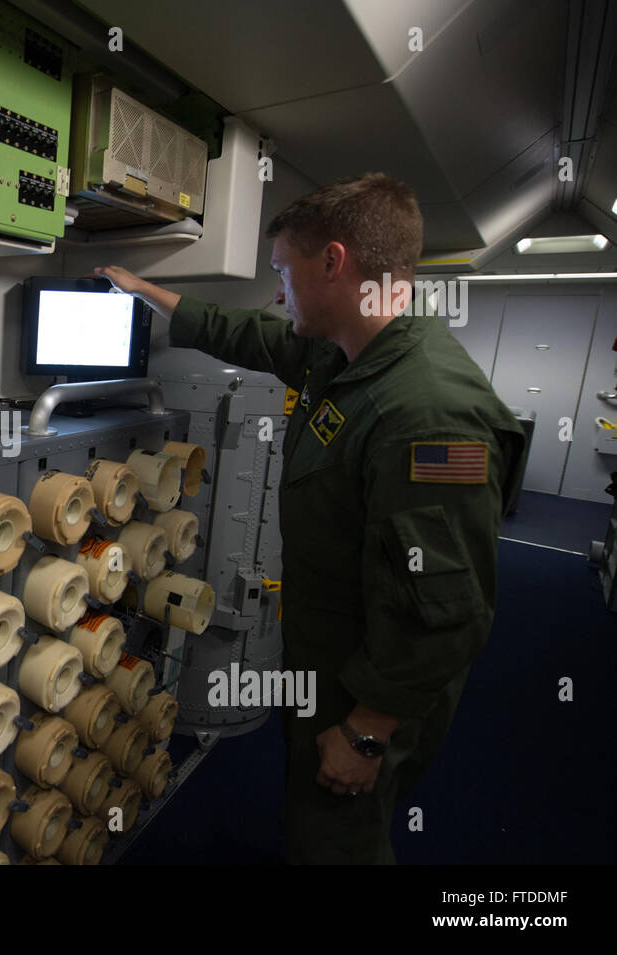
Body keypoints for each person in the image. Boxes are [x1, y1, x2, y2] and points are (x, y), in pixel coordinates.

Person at [94, 172, 525, 864]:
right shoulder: (350, 353)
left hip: (366, 687)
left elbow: (446, 609)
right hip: (330, 661)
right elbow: (253, 335)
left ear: (333, 262)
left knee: (336, 841)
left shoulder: (428, 415)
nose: (276, 291)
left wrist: (366, 732)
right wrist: (147, 292)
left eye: (282, 272)